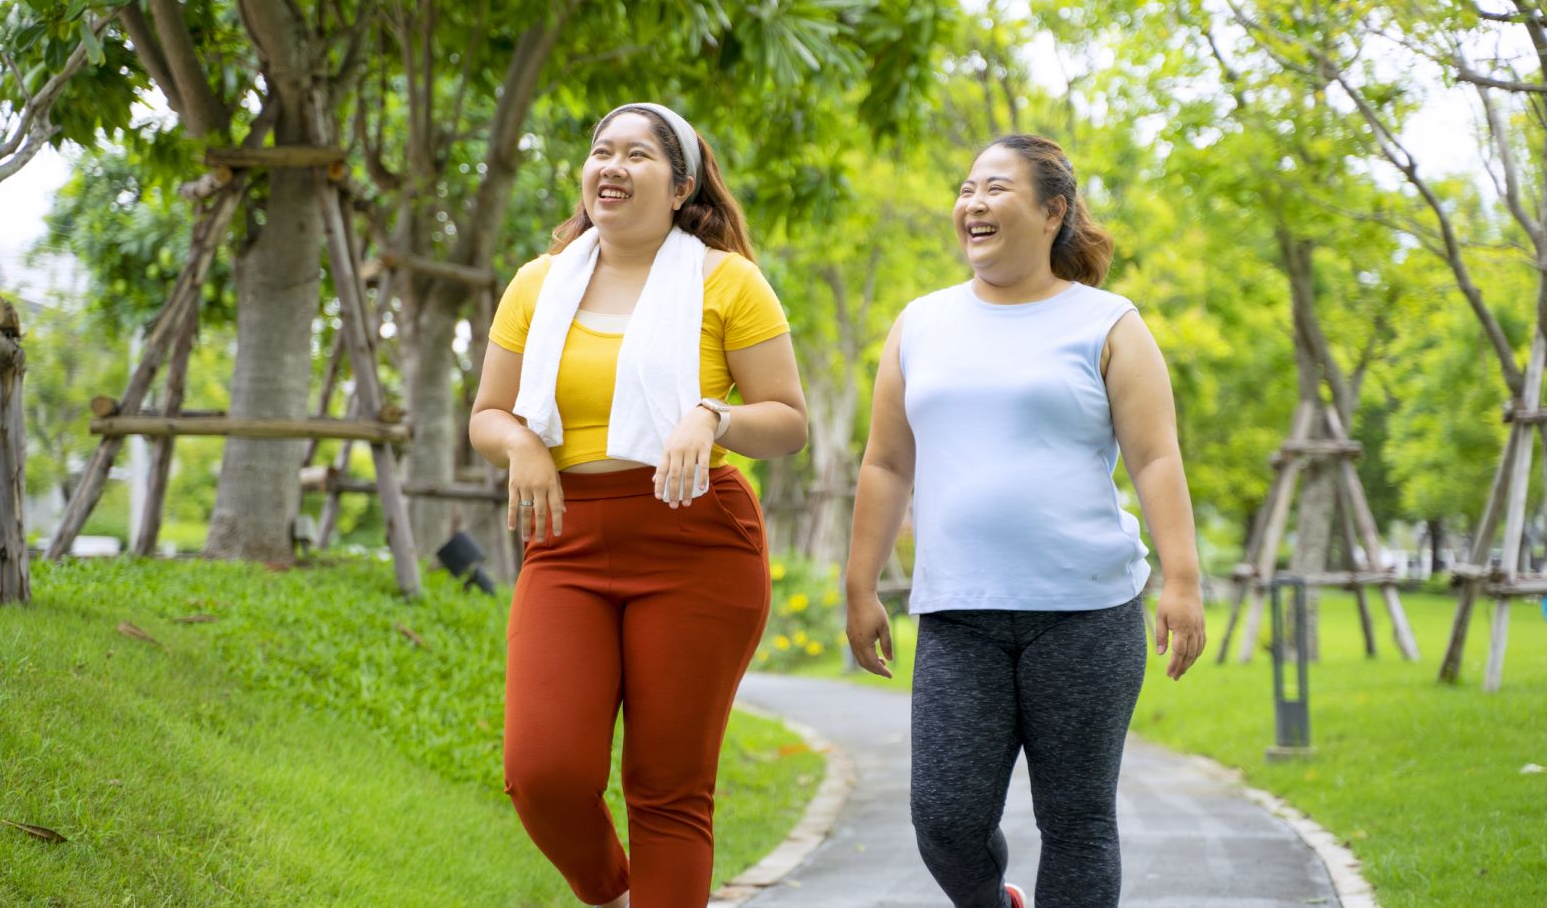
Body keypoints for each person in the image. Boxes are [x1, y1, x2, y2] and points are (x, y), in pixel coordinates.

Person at [843, 134, 1206, 908]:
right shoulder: (921, 323)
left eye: (995, 188)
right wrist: (859, 585)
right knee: (944, 818)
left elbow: (1156, 459)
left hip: (1086, 611)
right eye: (966, 187)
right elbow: (885, 464)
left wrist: (1183, 580)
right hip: (957, 614)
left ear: (1052, 212)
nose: (972, 203)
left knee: (1077, 820)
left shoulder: (1108, 322)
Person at [469, 103, 807, 908]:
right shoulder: (537, 284)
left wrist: (713, 413)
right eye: (599, 152)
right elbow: (488, 411)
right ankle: (615, 892)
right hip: (566, 538)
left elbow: (788, 421)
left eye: (637, 155)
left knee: (668, 786)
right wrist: (520, 446)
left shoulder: (728, 281)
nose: (610, 166)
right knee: (542, 772)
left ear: (682, 185)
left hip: (697, 541)